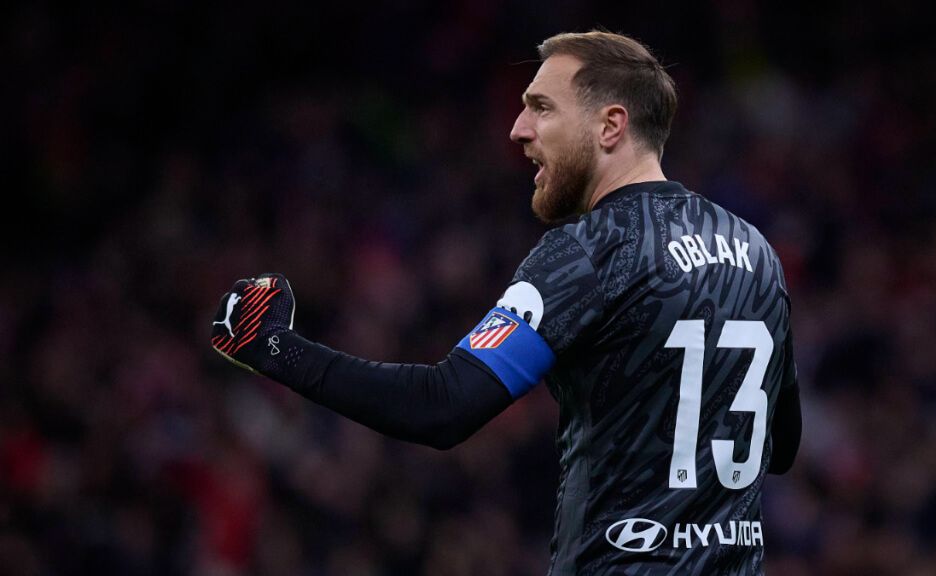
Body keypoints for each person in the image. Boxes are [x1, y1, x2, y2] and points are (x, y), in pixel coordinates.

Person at [210, 30, 801, 575]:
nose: (518, 128)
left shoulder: (590, 251)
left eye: (541, 107)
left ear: (610, 126)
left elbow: (442, 407)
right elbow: (782, 442)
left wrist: (274, 347)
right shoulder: (757, 253)